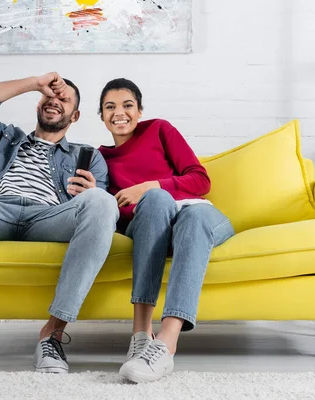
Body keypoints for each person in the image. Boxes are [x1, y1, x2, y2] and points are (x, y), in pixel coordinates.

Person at [0, 72, 119, 375]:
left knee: (102, 202)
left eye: (64, 99)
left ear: (76, 114)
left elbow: (101, 209)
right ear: (38, 103)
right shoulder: (5, 139)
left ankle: (52, 335)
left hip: (49, 218)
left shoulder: (88, 156)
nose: (55, 101)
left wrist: (91, 193)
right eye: (49, 96)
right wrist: (34, 83)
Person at [97, 78, 235, 383]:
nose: (119, 112)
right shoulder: (100, 158)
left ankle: (166, 344)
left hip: (195, 217)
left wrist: (151, 186)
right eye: (110, 107)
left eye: (127, 105)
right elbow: (110, 213)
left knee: (187, 212)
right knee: (156, 201)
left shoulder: (159, 129)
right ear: (102, 117)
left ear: (140, 110)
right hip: (150, 226)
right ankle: (141, 336)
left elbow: (200, 180)